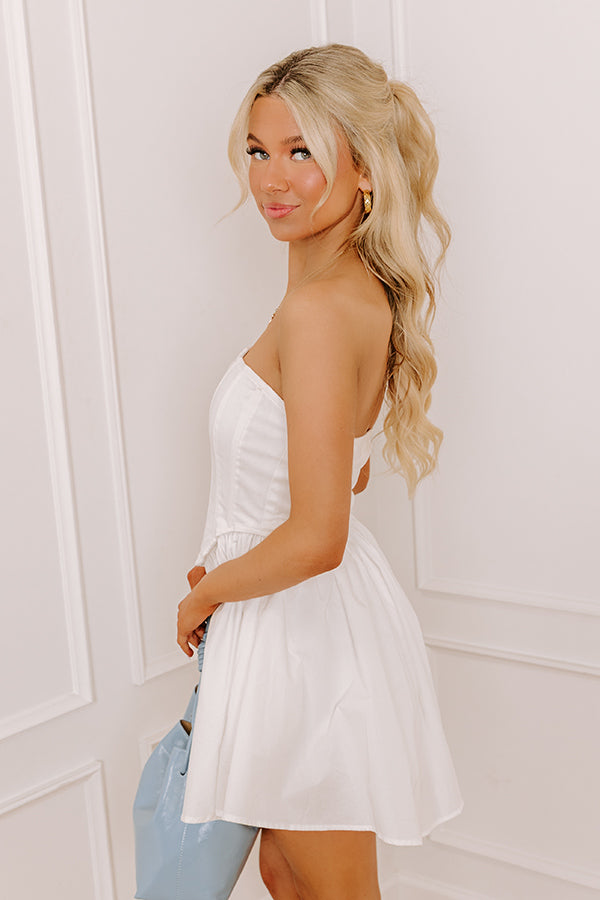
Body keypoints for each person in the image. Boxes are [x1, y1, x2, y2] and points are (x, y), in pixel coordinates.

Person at [176, 43, 464, 900]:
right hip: (291, 619)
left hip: (304, 637)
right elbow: (349, 474)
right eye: (258, 150)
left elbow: (318, 535)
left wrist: (205, 593)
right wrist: (234, 567)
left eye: (301, 150)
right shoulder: (351, 291)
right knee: (284, 868)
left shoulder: (317, 310)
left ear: (364, 170)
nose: (272, 178)